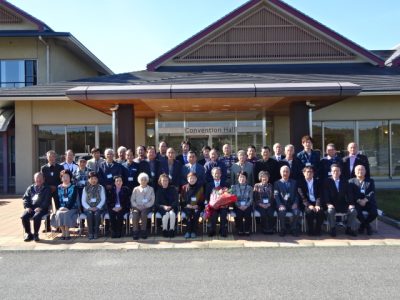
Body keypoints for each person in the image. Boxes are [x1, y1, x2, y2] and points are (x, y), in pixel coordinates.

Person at [323, 164, 357, 237]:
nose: (336, 172)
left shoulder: (345, 181)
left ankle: (348, 228)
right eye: (334, 171)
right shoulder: (326, 181)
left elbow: (349, 194)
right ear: (331, 172)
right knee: (330, 211)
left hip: (342, 204)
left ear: (340, 172)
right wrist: (328, 204)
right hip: (331, 204)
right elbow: (325, 194)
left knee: (353, 211)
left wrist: (351, 204)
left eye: (337, 171)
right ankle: (332, 228)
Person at [349, 165, 378, 235]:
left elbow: (372, 192)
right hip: (357, 202)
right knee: (357, 212)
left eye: (362, 170)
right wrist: (359, 200)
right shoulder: (351, 181)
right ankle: (368, 227)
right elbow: (350, 193)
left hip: (368, 202)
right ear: (355, 172)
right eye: (358, 170)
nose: (360, 171)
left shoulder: (370, 181)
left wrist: (365, 200)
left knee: (374, 213)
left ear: (365, 171)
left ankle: (363, 225)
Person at [21, 172, 51, 242]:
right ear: (34, 179)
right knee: (24, 216)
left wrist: (41, 207)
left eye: (40, 178)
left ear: (43, 179)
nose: (38, 180)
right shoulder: (30, 188)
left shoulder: (47, 188)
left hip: (42, 209)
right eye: (37, 178)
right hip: (31, 208)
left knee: (36, 216)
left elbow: (47, 200)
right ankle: (28, 233)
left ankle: (35, 234)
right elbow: (25, 198)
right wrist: (27, 207)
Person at [40, 150, 63, 231]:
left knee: (58, 208)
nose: (51, 158)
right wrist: (49, 187)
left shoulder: (60, 167)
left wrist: (56, 187)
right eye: (49, 156)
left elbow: (62, 179)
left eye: (53, 156)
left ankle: (59, 226)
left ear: (55, 157)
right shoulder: (43, 168)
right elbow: (42, 180)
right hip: (47, 191)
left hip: (57, 190)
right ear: (47, 158)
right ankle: (47, 226)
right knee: (47, 208)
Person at [51, 170, 78, 240]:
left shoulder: (74, 187)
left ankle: (67, 232)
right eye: (64, 177)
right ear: (61, 178)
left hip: (72, 208)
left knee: (66, 213)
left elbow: (73, 199)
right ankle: (63, 232)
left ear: (70, 178)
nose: (65, 178)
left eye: (67, 176)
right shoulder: (58, 187)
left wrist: (67, 208)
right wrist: (59, 208)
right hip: (60, 208)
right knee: (59, 213)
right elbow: (56, 199)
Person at [297, 166, 324, 236]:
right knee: (310, 211)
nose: (309, 173)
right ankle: (311, 230)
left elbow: (320, 195)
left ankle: (318, 230)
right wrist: (309, 205)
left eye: (311, 172)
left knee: (320, 211)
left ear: (313, 173)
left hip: (316, 202)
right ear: (304, 173)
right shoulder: (300, 183)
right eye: (308, 172)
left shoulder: (318, 182)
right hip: (306, 203)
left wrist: (317, 204)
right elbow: (302, 196)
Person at [274, 165, 300, 237]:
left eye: (287, 171)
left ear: (289, 173)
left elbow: (297, 195)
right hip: (282, 204)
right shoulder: (277, 183)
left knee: (297, 212)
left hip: (292, 204)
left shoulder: (294, 182)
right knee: (281, 212)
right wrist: (280, 205)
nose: (285, 173)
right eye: (283, 171)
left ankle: (293, 228)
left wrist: (295, 203)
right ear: (280, 173)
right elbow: (276, 195)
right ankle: (283, 229)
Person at [81, 172, 106, 240]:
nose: (93, 180)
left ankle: (96, 232)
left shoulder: (101, 187)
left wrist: (97, 207)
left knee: (97, 214)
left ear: (97, 179)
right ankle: (90, 233)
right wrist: (89, 208)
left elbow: (103, 199)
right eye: (91, 178)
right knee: (89, 214)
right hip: (88, 208)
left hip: (98, 207)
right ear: (88, 179)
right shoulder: (85, 188)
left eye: (95, 178)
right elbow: (83, 200)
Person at [130, 172, 155, 240]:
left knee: (144, 213)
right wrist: (137, 206)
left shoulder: (151, 189)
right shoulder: (135, 189)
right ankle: (135, 232)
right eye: (142, 179)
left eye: (145, 179)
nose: (143, 181)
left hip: (146, 207)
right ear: (139, 181)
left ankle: (143, 231)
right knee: (135, 214)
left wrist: (145, 205)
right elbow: (132, 200)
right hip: (137, 207)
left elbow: (152, 200)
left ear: (147, 180)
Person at [205, 167, 229, 237]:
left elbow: (228, 196)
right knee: (213, 213)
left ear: (221, 174)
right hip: (213, 205)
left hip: (223, 205)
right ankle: (212, 230)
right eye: (215, 173)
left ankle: (222, 230)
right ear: (212, 175)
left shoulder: (225, 184)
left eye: (218, 173)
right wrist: (206, 204)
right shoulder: (209, 185)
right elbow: (206, 197)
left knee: (224, 212)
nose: (217, 175)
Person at [181, 172, 205, 239]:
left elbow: (202, 199)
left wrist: (197, 205)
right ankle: (188, 231)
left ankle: (194, 231)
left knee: (196, 213)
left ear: (196, 179)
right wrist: (187, 205)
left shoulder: (200, 188)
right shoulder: (184, 187)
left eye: (193, 178)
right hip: (187, 206)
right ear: (187, 179)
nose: (192, 180)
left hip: (196, 206)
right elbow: (182, 199)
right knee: (188, 214)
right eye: (190, 178)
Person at [231, 172, 253, 236]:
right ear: (238, 179)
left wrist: (246, 206)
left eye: (243, 177)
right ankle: (240, 229)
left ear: (246, 179)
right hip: (237, 205)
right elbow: (233, 198)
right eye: (240, 177)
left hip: (247, 205)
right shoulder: (234, 187)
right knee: (239, 213)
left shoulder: (250, 187)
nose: (242, 179)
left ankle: (247, 229)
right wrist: (239, 205)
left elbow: (251, 199)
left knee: (247, 213)